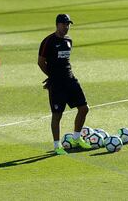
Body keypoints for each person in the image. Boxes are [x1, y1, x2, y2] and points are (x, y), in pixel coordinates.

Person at [38, 14, 92, 155]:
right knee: (57, 115)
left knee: (84, 108)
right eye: (64, 24)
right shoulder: (48, 41)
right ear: (57, 24)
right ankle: (57, 146)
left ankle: (76, 138)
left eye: (68, 24)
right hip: (57, 84)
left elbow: (64, 62)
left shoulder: (69, 40)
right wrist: (51, 76)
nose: (66, 27)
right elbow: (41, 62)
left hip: (70, 80)